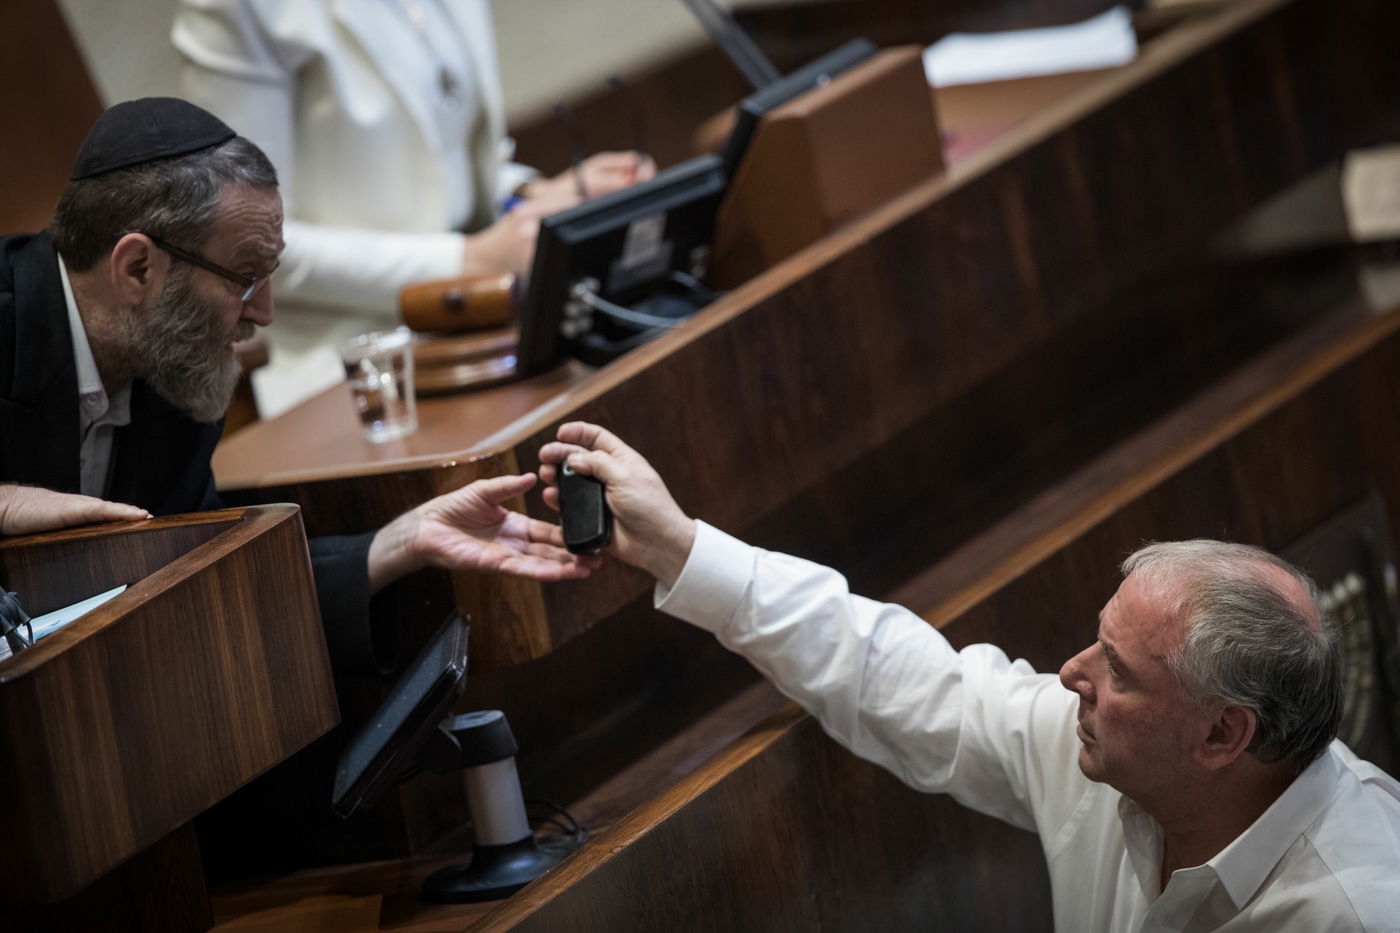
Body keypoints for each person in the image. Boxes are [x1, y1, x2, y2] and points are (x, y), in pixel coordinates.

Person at [537, 422, 1400, 932]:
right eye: (1096, 642)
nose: (1072, 673)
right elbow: (911, 683)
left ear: (1222, 734)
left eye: (1119, 670)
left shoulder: (1359, 908)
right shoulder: (1111, 752)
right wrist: (681, 546)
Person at [0, 97, 597, 674]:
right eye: (244, 279)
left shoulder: (171, 363)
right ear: (138, 269)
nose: (263, 313)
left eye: (270, 276)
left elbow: (200, 583)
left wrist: (400, 541)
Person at [172, 0, 655, 414]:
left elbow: (454, 169)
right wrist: (467, 262)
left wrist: (532, 196)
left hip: (497, 332)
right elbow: (246, 246)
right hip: (358, 375)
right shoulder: (243, 9)